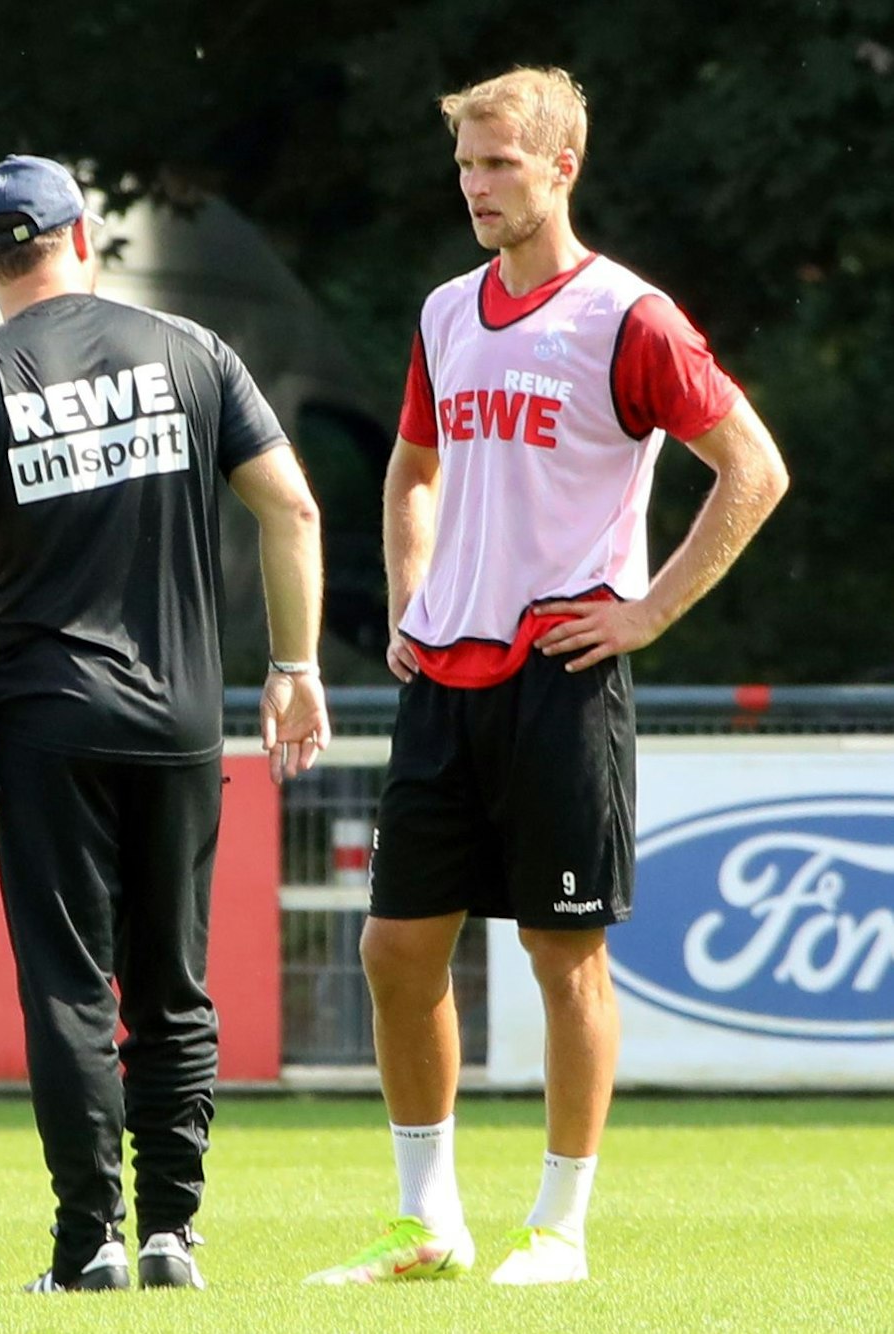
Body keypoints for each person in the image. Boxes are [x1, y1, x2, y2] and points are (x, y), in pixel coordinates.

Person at [304, 68, 788, 1289]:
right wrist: (409, 597)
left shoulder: (630, 316)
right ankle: (428, 1222)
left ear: (562, 167)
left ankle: (558, 1229)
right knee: (394, 949)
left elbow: (753, 467)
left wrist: (650, 611)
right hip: (443, 679)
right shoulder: (445, 312)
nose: (476, 185)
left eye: (500, 163)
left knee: (563, 954)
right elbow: (411, 469)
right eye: (466, 164)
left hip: (562, 675)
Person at [0, 154, 331, 1294]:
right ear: (84, 238)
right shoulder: (194, 351)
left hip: (45, 720)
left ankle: (87, 1240)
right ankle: (171, 1233)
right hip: (182, 717)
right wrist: (293, 664)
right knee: (172, 987)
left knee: (69, 988)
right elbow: (292, 507)